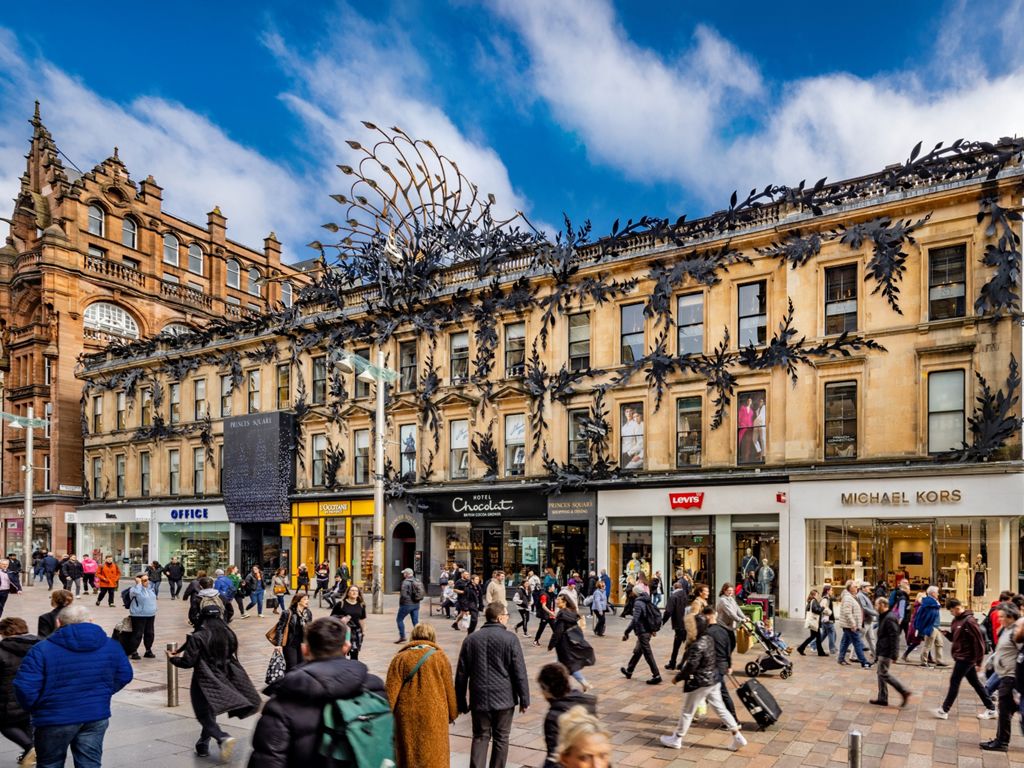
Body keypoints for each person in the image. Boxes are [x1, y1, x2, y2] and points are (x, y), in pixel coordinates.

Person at [249, 617, 386, 766]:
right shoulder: (375, 689)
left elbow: (267, 761)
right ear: (346, 647)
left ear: (305, 650)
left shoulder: (281, 704)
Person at [13, 604, 133, 768]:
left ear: (58, 623)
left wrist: (38, 706)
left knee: (50, 763)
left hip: (54, 717)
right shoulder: (111, 645)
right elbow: (125, 675)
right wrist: (102, 693)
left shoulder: (42, 649)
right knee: (89, 763)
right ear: (91, 621)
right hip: (94, 714)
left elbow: (25, 686)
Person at [168, 603, 258, 758]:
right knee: (210, 710)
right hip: (224, 675)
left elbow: (188, 662)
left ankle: (222, 737)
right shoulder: (228, 633)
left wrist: (173, 659)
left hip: (204, 678)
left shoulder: (199, 636)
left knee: (203, 713)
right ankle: (203, 744)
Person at [455, 602, 530, 768]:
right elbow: (519, 672)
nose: (508, 618)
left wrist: (460, 701)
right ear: (500, 617)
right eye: (507, 615)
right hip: (504, 698)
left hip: (479, 697)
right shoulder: (510, 639)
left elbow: (461, 674)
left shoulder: (471, 639)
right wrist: (524, 698)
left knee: (480, 736)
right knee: (501, 738)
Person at [660, 614, 746, 752]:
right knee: (721, 709)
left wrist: (678, 678)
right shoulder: (708, 638)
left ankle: (677, 738)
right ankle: (738, 737)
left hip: (700, 682)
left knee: (687, 712)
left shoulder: (697, 644)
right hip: (713, 679)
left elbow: (691, 666)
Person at [386, 622, 458, 768]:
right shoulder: (440, 657)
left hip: (407, 714)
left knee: (409, 754)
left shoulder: (400, 658)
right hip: (435, 714)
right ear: (432, 637)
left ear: (413, 636)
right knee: (435, 754)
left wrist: (386, 717)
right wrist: (452, 712)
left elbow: (390, 692)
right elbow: (449, 689)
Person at [934, 598, 995, 720]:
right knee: (976, 683)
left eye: (951, 611)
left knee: (954, 682)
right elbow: (956, 639)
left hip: (966, 658)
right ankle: (991, 708)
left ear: (957, 608)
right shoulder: (956, 620)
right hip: (961, 657)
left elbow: (979, 643)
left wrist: (979, 662)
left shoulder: (970, 622)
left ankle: (944, 710)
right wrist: (947, 634)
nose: (951, 613)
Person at [538, 663, 597, 768]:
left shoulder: (554, 717)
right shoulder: (587, 703)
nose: (541, 693)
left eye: (542, 688)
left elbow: (555, 756)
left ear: (547, 689)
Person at [0, 617, 40, 765]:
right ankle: (29, 753)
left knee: (5, 725)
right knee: (25, 722)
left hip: (8, 697)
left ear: (4, 632)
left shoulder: (2, 649)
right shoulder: (40, 645)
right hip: (33, 694)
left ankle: (30, 747)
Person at [549, 594, 595, 691]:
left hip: (563, 644)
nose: (557, 601)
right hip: (570, 642)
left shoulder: (562, 614)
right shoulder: (572, 612)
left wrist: (551, 644)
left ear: (564, 602)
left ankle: (577, 684)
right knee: (564, 665)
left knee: (567, 665)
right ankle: (577, 684)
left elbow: (558, 631)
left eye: (559, 600)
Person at [871, 596, 911, 708]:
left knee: (883, 673)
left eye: (876, 605)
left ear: (883, 605)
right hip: (882, 649)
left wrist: (894, 654)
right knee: (881, 674)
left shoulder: (889, 618)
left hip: (886, 650)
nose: (875, 607)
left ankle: (903, 691)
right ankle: (882, 698)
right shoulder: (884, 616)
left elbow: (895, 636)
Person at [703, 606, 740, 723]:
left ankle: (734, 720)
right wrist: (729, 665)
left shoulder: (707, 632)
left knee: (722, 694)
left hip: (713, 667)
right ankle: (694, 713)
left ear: (708, 616)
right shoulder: (725, 631)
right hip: (722, 665)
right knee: (706, 692)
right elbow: (728, 649)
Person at [620, 584, 662, 684]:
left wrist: (626, 632)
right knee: (638, 651)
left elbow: (635, 619)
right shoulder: (646, 599)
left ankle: (656, 675)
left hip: (643, 632)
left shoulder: (638, 603)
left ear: (635, 593)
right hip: (647, 630)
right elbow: (648, 615)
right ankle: (629, 671)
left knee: (648, 654)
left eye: (633, 592)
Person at [837, 579, 871, 668]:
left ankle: (840, 659)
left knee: (845, 642)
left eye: (857, 586)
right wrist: (853, 624)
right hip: (850, 625)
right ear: (849, 588)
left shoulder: (852, 596)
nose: (857, 588)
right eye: (855, 586)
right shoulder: (848, 598)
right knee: (857, 642)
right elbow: (847, 612)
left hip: (850, 625)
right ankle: (864, 662)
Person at [273, 592, 312, 671]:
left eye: (308, 599)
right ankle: (289, 681)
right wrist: (278, 644)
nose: (307, 601)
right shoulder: (287, 613)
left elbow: (310, 628)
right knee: (292, 666)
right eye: (305, 599)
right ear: (298, 601)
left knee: (302, 666)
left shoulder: (308, 613)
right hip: (290, 644)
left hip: (302, 643)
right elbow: (280, 628)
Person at [126, 571, 157, 660]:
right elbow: (136, 594)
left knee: (150, 633)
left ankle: (148, 650)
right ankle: (133, 651)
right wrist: (139, 584)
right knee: (137, 634)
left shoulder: (150, 588)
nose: (147, 582)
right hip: (138, 615)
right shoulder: (134, 589)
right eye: (145, 580)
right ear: (138, 580)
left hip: (151, 614)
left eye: (148, 579)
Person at [330, 585, 367, 659]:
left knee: (354, 653)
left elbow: (362, 619)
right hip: (343, 631)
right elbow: (331, 618)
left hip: (356, 632)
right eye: (352, 590)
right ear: (348, 593)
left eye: (356, 591)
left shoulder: (361, 605)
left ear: (359, 593)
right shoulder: (341, 604)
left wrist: (363, 631)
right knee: (341, 653)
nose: (354, 592)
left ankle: (353, 669)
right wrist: (341, 620)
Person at [914, 585, 945, 668]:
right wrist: (920, 627)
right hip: (931, 626)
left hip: (936, 626)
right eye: (937, 592)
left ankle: (939, 660)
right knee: (928, 645)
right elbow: (922, 615)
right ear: (933, 593)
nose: (938, 594)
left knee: (939, 643)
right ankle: (923, 661)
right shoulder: (929, 602)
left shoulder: (934, 602)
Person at [661, 581, 688, 670]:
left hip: (679, 624)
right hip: (687, 623)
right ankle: (674, 662)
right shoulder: (685, 595)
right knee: (685, 644)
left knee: (678, 644)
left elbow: (668, 611)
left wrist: (662, 622)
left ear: (674, 588)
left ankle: (675, 663)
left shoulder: (673, 597)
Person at [396, 567, 423, 643]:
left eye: (404, 573)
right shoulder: (417, 580)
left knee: (399, 619)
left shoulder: (405, 582)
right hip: (416, 604)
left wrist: (403, 603)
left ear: (407, 574)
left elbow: (404, 595)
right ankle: (420, 636)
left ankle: (402, 636)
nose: (403, 574)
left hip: (406, 604)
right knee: (415, 621)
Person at [797, 589, 828, 656]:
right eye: (817, 594)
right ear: (814, 595)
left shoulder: (811, 601)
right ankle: (801, 648)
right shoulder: (814, 601)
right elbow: (816, 610)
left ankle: (802, 648)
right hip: (814, 622)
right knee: (816, 637)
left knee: (815, 637)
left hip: (814, 622)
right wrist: (822, 607)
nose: (818, 596)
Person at [855, 581, 879, 659]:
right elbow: (864, 608)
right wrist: (875, 613)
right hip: (864, 621)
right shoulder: (860, 596)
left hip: (868, 620)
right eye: (868, 587)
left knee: (871, 639)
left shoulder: (864, 595)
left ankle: (875, 654)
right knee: (859, 639)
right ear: (863, 588)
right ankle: (853, 656)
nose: (869, 588)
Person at [684, 583, 709, 650]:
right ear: (700, 592)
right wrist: (693, 636)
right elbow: (693, 618)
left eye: (708, 591)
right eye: (706, 591)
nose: (708, 593)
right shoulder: (697, 603)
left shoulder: (704, 601)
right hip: (698, 632)